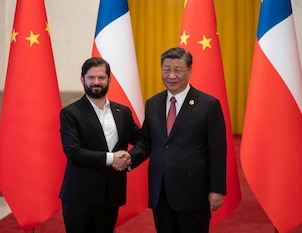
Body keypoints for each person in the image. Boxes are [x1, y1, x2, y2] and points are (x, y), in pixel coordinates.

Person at [129, 47, 227, 233]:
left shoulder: (208, 105)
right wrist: (128, 158)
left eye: (178, 70)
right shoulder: (153, 103)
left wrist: (217, 189)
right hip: (161, 190)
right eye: (166, 70)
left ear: (190, 71)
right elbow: (148, 142)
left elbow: (218, 151)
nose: (171, 75)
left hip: (193, 193)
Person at [59, 57, 142, 233]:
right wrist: (113, 158)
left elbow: (142, 140)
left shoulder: (123, 112)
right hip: (80, 196)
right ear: (83, 79)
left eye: (101, 78)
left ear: (109, 80)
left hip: (111, 194)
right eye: (91, 77)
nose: (96, 82)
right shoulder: (70, 113)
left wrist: (129, 158)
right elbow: (74, 153)